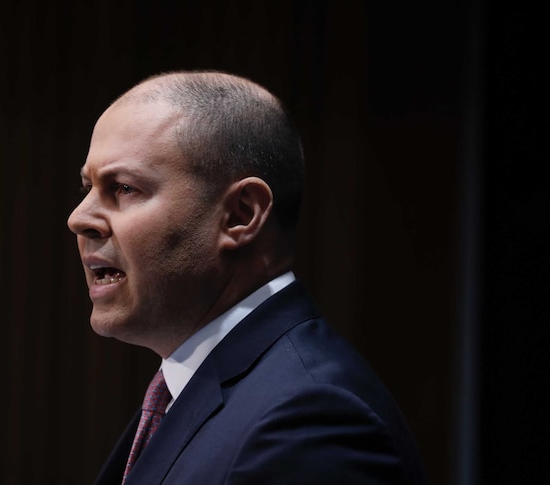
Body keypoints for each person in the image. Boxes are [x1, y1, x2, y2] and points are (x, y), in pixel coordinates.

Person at [67, 70, 428, 484]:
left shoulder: (310, 420)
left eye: (124, 188)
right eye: (87, 188)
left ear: (241, 215)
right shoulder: (195, 389)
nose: (79, 218)